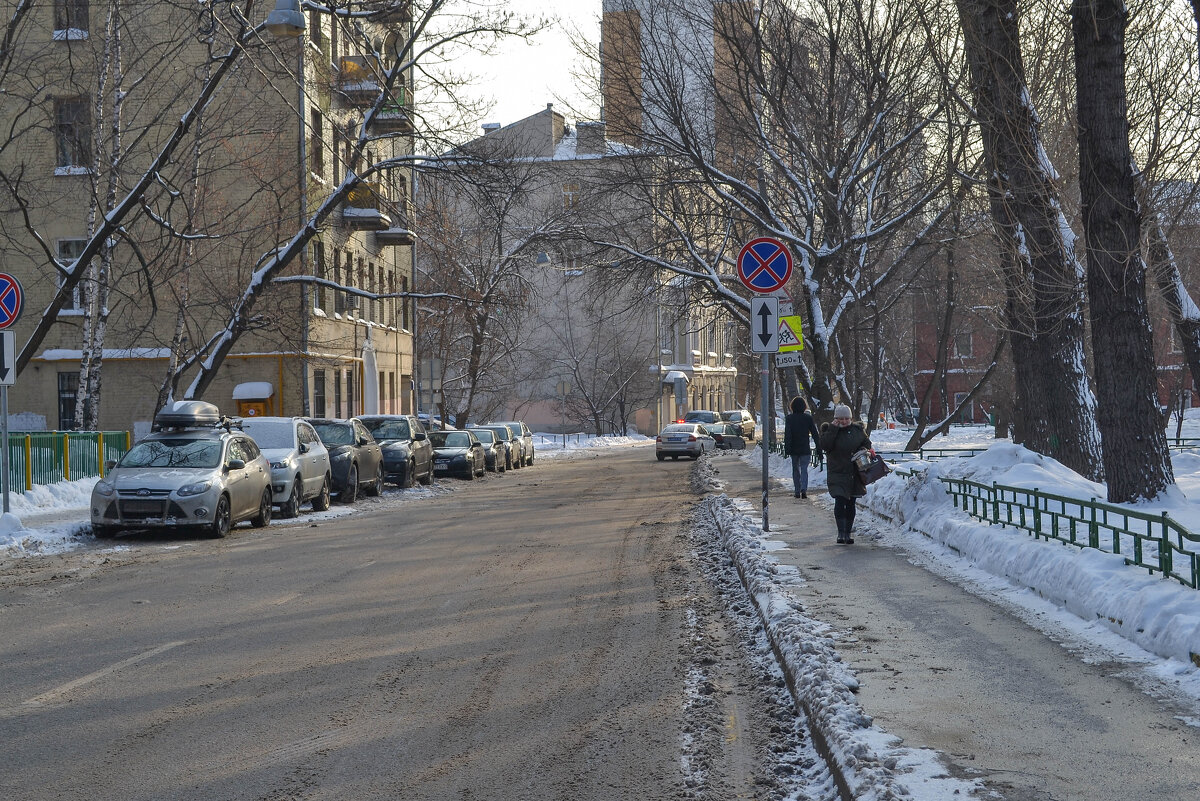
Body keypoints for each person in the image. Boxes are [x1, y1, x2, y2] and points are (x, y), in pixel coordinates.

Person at [818, 403, 872, 545]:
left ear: (851, 418)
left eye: (846, 418)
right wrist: (833, 429)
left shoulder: (857, 430)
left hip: (854, 473)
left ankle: (848, 533)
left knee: (851, 503)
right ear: (835, 418)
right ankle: (841, 533)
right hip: (837, 472)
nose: (843, 421)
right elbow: (824, 445)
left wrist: (863, 450)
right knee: (840, 500)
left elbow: (867, 443)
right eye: (840, 418)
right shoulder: (830, 430)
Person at [782, 396, 820, 499]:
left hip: (794, 449)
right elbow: (815, 434)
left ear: (792, 406)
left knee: (795, 469)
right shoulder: (808, 418)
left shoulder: (789, 418)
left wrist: (787, 448)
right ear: (804, 406)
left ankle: (797, 491)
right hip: (805, 448)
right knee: (804, 469)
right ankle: (804, 489)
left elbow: (788, 434)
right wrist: (819, 448)